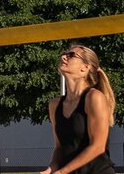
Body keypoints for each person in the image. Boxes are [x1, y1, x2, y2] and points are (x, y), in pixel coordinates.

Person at [40, 45, 115, 174]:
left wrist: (62, 172)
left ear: (85, 68)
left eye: (71, 55)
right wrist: (51, 168)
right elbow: (59, 148)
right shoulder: (54, 104)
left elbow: (98, 147)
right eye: (65, 54)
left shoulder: (94, 97)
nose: (63, 57)